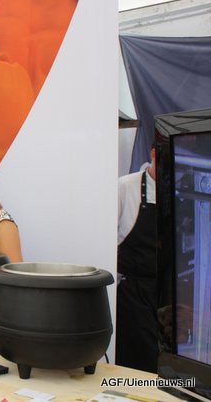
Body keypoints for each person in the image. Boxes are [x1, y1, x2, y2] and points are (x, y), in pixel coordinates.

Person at [116, 146, 158, 373]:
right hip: (134, 291)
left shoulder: (183, 185)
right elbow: (108, 238)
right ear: (153, 154)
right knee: (140, 359)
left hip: (167, 290)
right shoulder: (125, 186)